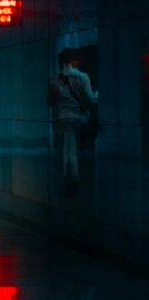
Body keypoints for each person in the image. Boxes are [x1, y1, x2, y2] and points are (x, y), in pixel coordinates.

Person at [48, 48, 97, 196]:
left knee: (62, 150)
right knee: (73, 151)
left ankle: (64, 180)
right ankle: (73, 181)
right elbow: (89, 98)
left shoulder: (54, 80)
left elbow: (50, 101)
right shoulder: (82, 78)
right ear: (73, 62)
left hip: (59, 119)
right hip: (75, 118)